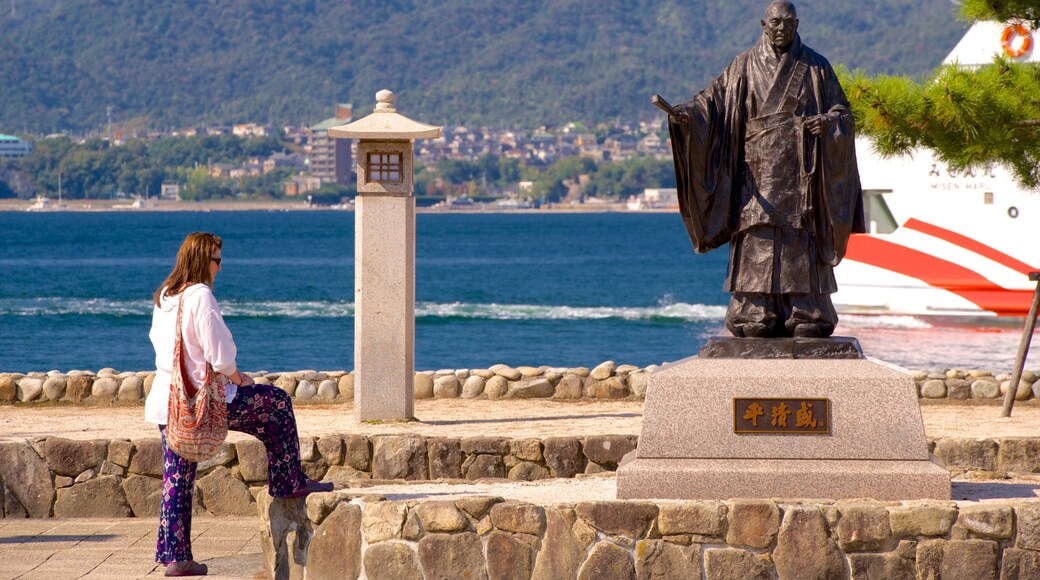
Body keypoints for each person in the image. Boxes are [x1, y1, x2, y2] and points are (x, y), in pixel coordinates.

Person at [667, 0, 864, 338]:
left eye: (787, 22)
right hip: (755, 176)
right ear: (763, 23)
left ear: (797, 23)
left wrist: (828, 122)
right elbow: (710, 102)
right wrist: (688, 117)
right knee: (756, 237)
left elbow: (843, 113)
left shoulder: (816, 67)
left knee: (799, 240)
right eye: (774, 22)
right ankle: (754, 312)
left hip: (801, 175)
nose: (781, 28)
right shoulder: (743, 66)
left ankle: (807, 311)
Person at [146, 232, 332, 577]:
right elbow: (220, 354)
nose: (220, 267)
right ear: (203, 261)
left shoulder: (166, 296)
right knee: (275, 404)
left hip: (168, 400)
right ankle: (286, 479)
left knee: (177, 478)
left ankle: (176, 557)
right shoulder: (200, 295)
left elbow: (163, 345)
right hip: (204, 401)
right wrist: (238, 378)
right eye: (217, 260)